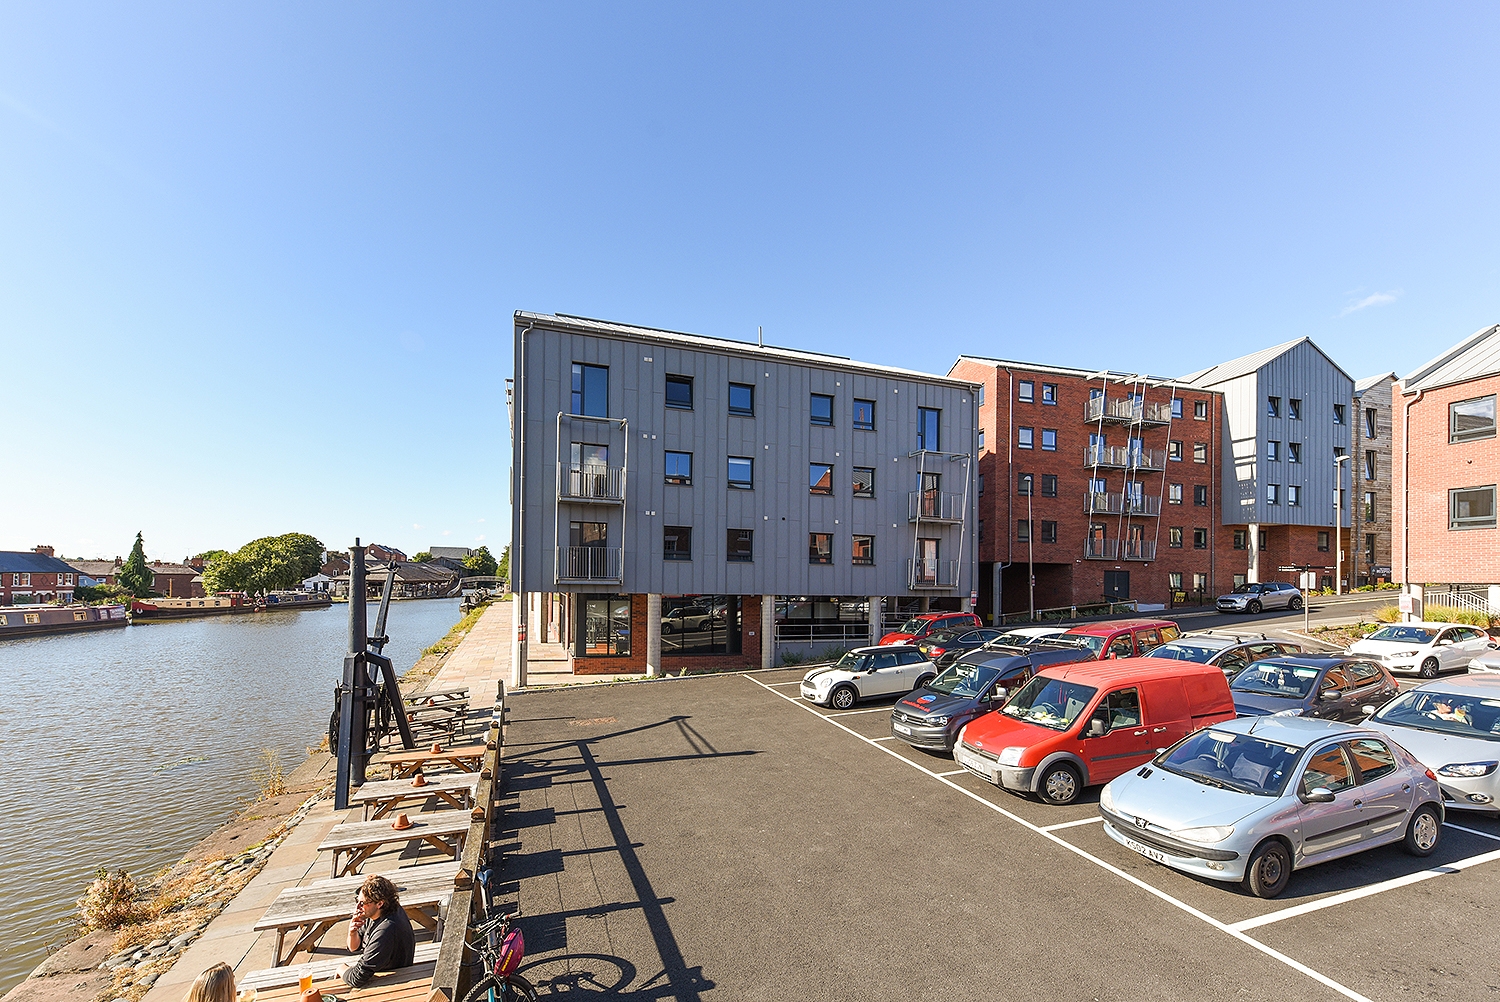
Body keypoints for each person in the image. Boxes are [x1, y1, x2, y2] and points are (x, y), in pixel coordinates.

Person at [339, 874, 415, 989]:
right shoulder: (379, 913)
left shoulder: (386, 930)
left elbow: (357, 978)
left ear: (380, 903)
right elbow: (354, 947)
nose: (357, 907)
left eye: (362, 903)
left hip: (392, 981)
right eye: (357, 901)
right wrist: (352, 932)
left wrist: (341, 968)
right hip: (381, 972)